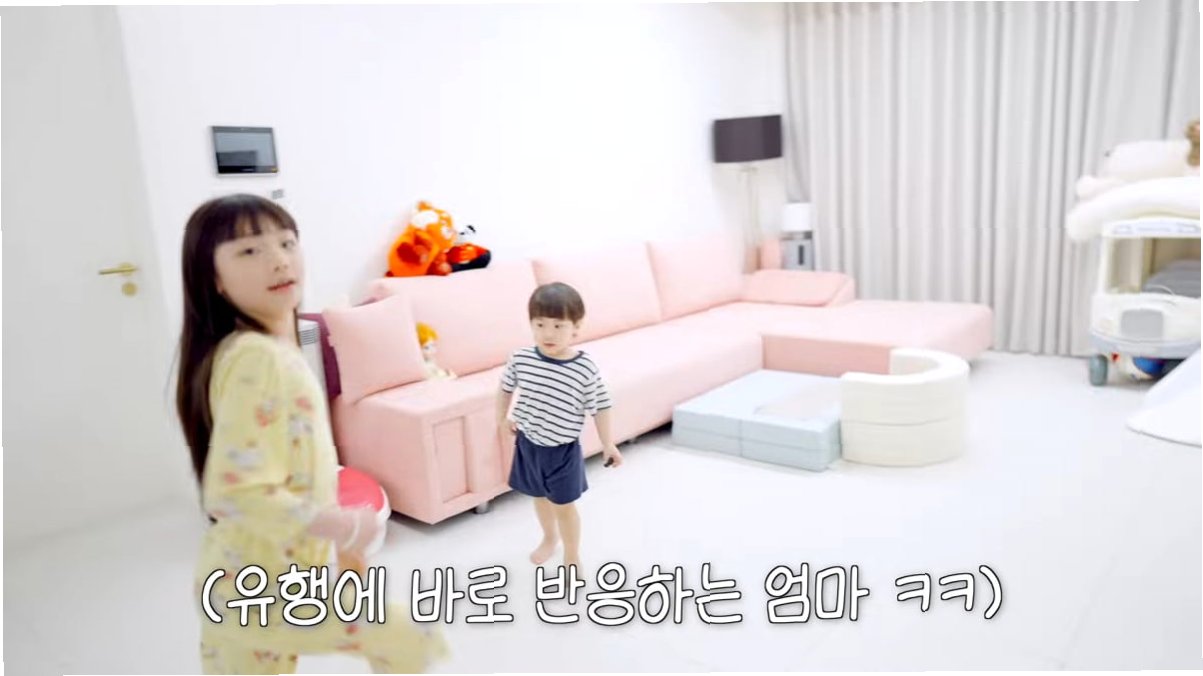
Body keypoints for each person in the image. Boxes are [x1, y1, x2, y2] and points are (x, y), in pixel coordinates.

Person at [175, 194, 446, 674]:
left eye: (286, 243)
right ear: (212, 278)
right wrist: (344, 527)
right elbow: (232, 492)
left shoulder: (258, 349)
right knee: (407, 638)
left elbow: (299, 468)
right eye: (249, 250)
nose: (279, 259)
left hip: (265, 579)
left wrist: (341, 550)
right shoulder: (257, 358)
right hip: (256, 586)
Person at [496, 282, 623, 570]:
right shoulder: (521, 358)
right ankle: (549, 538)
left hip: (562, 451)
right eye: (540, 324)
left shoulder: (583, 368)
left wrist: (608, 443)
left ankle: (572, 555)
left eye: (558, 326)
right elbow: (504, 388)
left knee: (564, 506)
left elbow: (601, 406)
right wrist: (502, 418)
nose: (548, 334)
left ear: (575, 328)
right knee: (539, 498)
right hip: (528, 445)